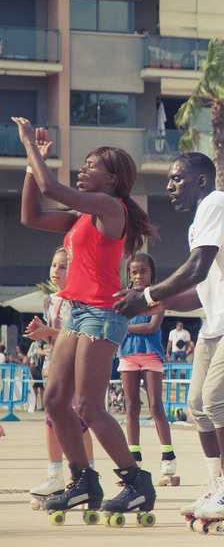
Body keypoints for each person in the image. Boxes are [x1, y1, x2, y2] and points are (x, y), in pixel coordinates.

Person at [113, 152, 224, 531]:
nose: (170, 186)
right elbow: (200, 289)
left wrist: (149, 297)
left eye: (177, 179)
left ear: (201, 181)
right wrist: (149, 301)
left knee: (219, 399)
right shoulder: (199, 225)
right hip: (219, 322)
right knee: (197, 406)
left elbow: (196, 268)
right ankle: (215, 486)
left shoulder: (216, 204)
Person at [13, 117, 158, 521]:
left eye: (92, 165)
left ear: (112, 180)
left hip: (102, 315)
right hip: (77, 312)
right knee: (57, 400)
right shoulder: (82, 217)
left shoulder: (110, 208)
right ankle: (83, 482)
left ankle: (135, 481)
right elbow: (31, 215)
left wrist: (27, 142)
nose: (84, 169)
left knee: (88, 406)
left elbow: (52, 188)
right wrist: (32, 162)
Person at [25, 248, 98, 508]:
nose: (56, 270)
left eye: (63, 266)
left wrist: (49, 332)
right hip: (55, 365)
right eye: (54, 265)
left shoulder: (80, 300)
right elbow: (56, 336)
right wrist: (42, 335)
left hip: (76, 367)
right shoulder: (52, 300)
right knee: (51, 421)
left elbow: (75, 334)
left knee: (79, 423)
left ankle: (87, 474)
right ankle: (54, 475)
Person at [118, 253, 177, 487]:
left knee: (155, 405)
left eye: (143, 271)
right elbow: (119, 322)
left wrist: (127, 327)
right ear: (129, 274)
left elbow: (152, 326)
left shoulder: (157, 296)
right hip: (128, 357)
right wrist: (128, 326)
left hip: (151, 355)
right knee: (131, 405)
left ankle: (168, 457)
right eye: (134, 271)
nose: (139, 275)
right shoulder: (123, 296)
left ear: (151, 273)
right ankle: (133, 459)